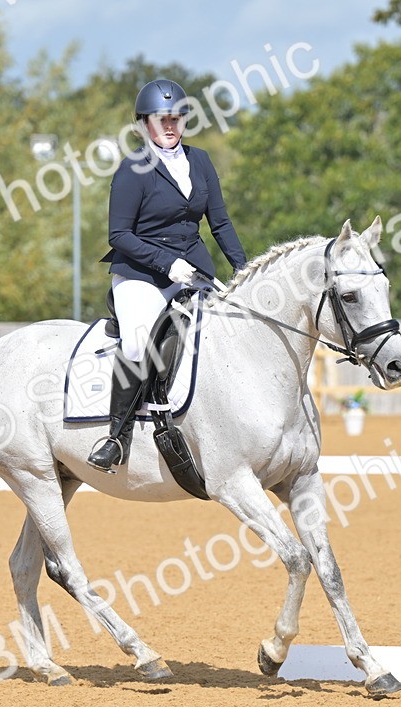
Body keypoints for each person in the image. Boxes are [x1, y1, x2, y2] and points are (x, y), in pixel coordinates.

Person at [88, 78, 248, 473]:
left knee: (232, 333)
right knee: (137, 343)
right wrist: (166, 264)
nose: (170, 126)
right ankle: (116, 436)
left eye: (176, 117)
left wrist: (245, 272)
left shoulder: (201, 161)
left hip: (193, 268)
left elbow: (221, 222)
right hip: (141, 273)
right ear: (144, 124)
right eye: (160, 119)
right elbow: (118, 235)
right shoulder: (132, 169)